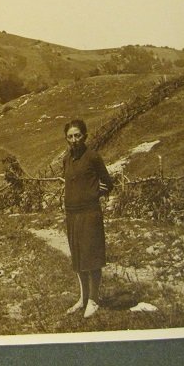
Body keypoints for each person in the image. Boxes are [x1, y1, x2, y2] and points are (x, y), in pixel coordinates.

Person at [62, 119, 114, 318]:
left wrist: (93, 195)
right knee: (78, 257)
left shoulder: (92, 157)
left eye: (77, 135)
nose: (74, 140)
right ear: (66, 139)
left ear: (84, 136)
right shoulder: (66, 159)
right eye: (70, 136)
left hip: (90, 213)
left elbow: (108, 183)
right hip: (72, 214)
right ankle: (82, 299)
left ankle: (94, 300)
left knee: (91, 257)